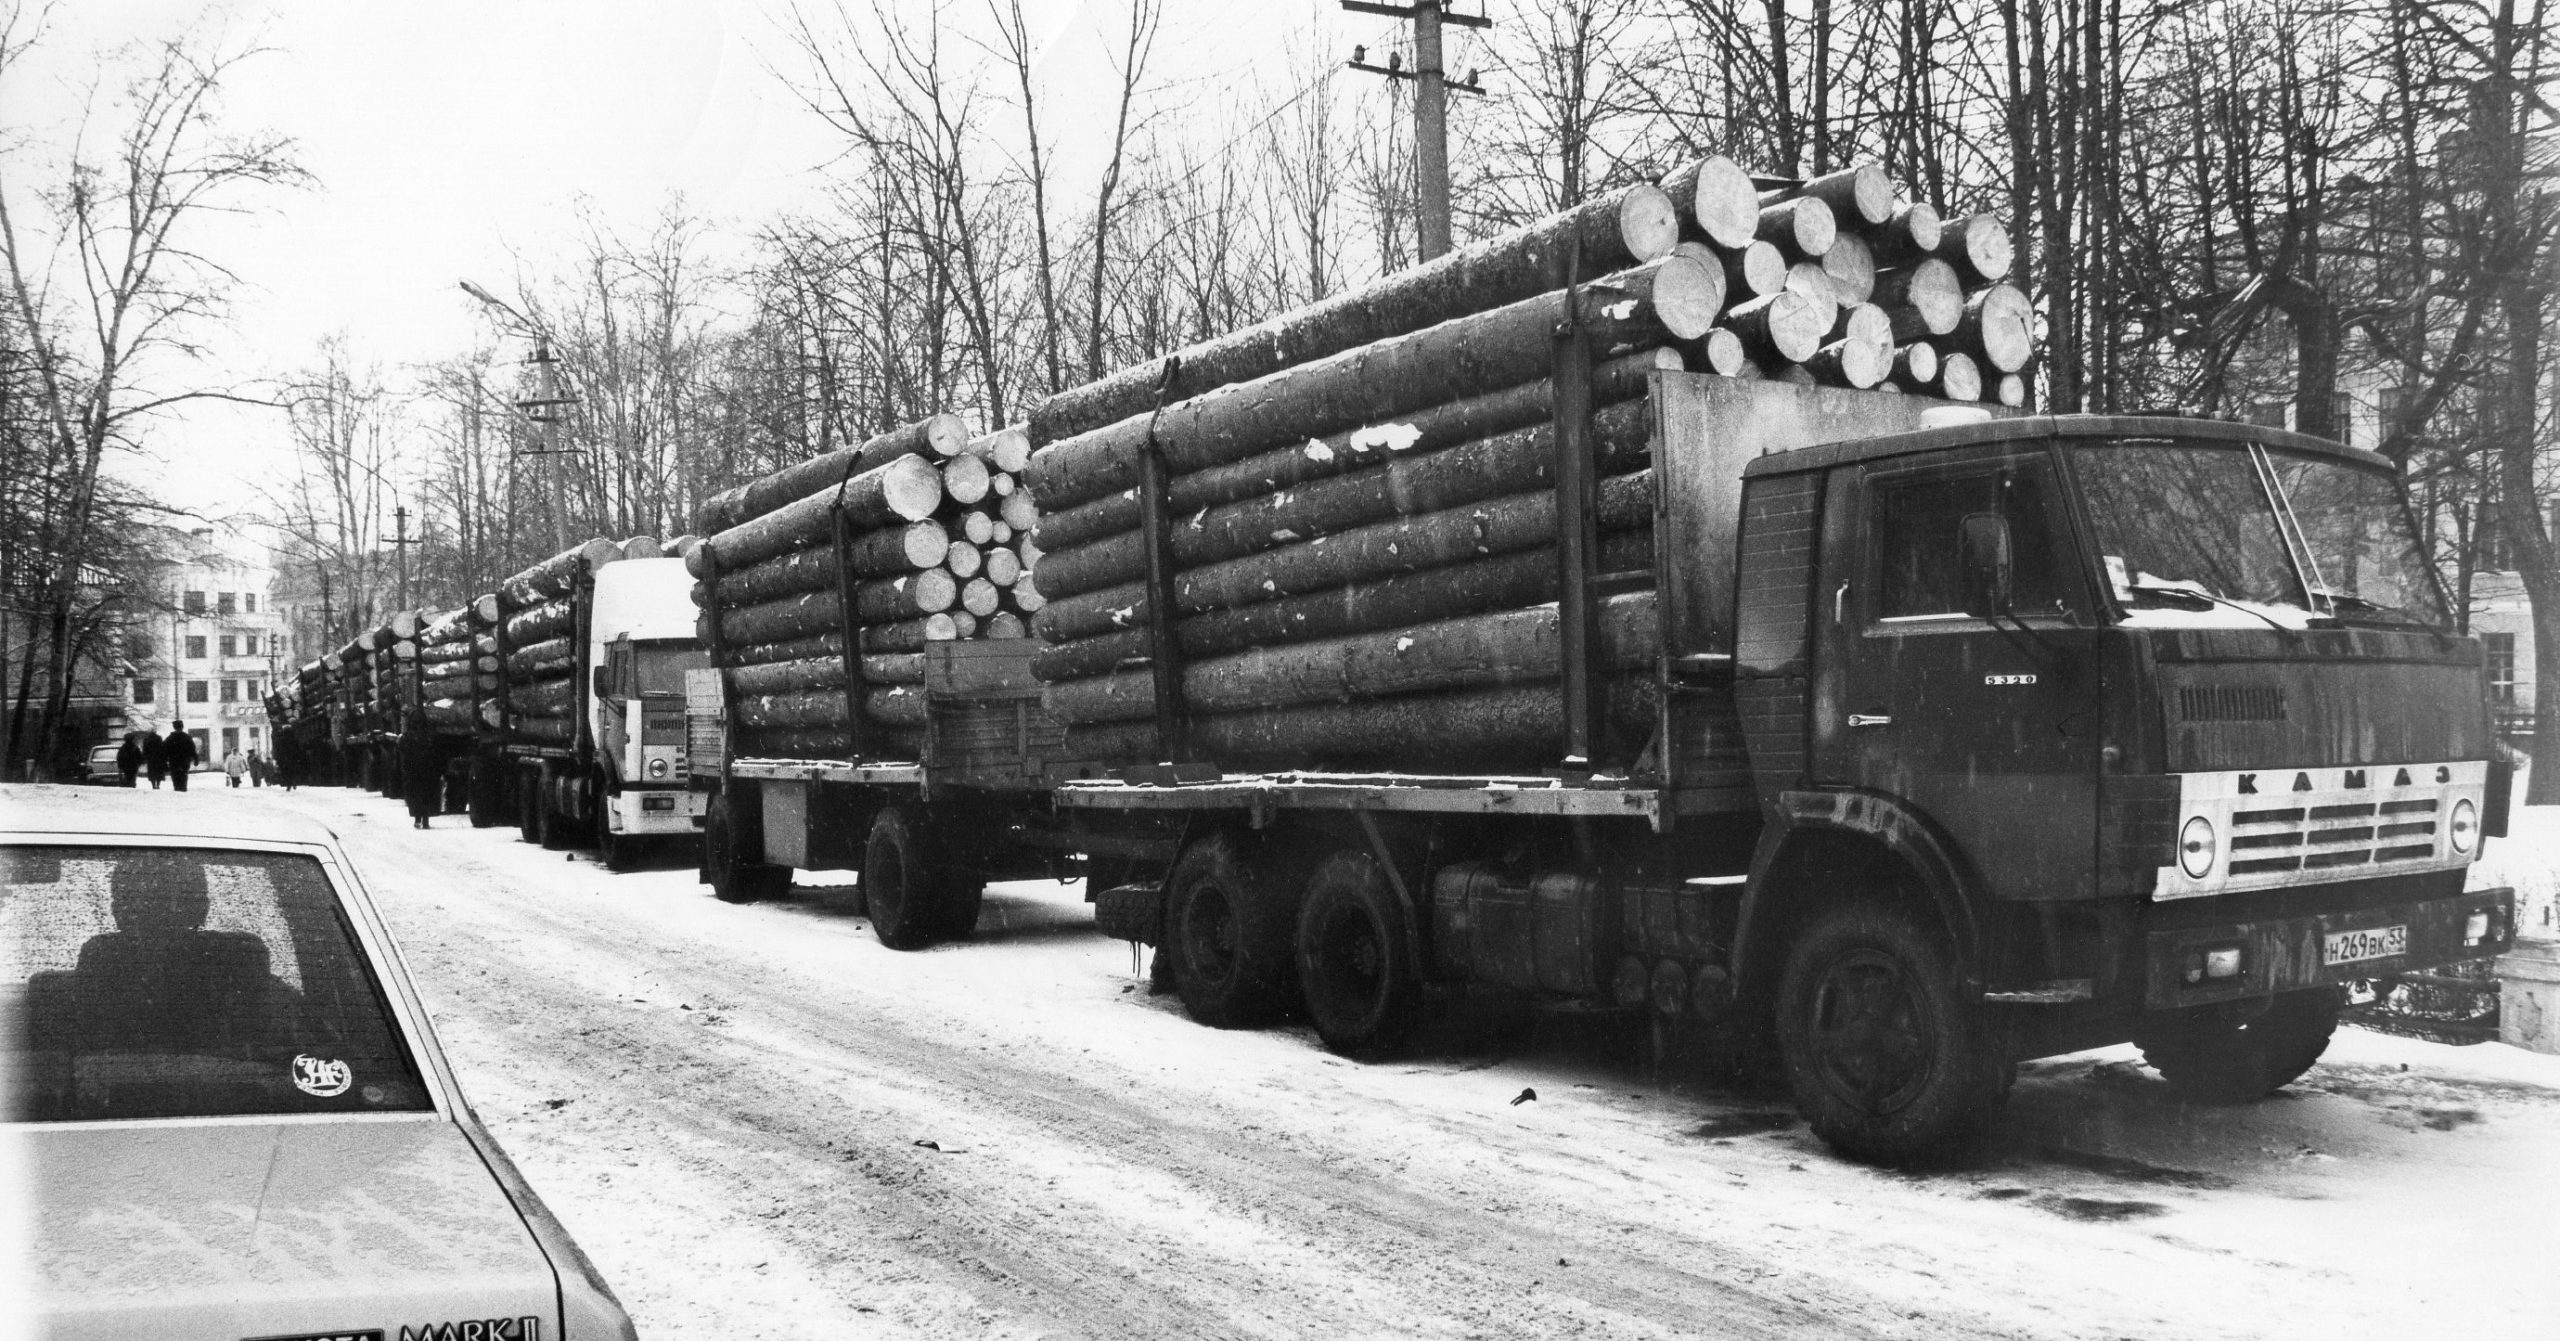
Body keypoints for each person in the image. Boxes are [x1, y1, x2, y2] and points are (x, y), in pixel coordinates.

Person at [398, 707, 441, 829]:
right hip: (428, 770)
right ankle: (426, 820)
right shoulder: (430, 736)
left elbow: (402, 750)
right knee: (427, 794)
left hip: (413, 771)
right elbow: (436, 752)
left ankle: (417, 819)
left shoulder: (407, 737)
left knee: (414, 795)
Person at [162, 721, 197, 792]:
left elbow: (164, 751)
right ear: (182, 727)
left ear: (174, 727)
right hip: (184, 761)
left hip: (174, 761)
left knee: (175, 778)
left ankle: (177, 789)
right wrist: (196, 759)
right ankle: (183, 789)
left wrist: (164, 762)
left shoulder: (169, 738)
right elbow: (192, 749)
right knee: (184, 776)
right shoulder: (187, 737)